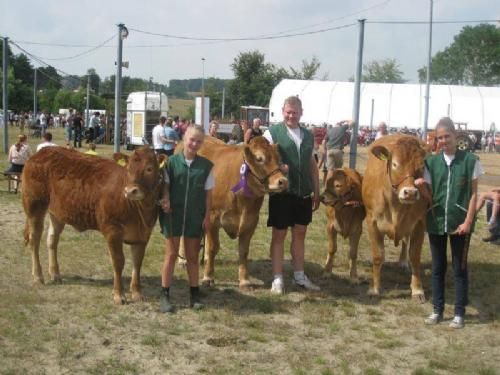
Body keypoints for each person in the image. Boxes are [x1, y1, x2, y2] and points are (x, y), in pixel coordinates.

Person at [415, 117, 483, 329]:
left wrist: (468, 222)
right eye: (439, 138)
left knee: (459, 269)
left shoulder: (470, 161)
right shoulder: (432, 163)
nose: (443, 141)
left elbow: (474, 194)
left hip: (459, 223)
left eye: (447, 136)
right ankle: (437, 310)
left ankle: (459, 314)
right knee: (437, 268)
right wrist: (421, 187)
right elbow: (429, 196)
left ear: (455, 136)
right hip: (436, 222)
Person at [262, 96, 320, 294]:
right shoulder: (273, 133)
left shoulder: (308, 135)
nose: (291, 115)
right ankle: (277, 278)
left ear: (301, 113)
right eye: (288, 112)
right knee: (279, 234)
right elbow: (263, 157)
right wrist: (278, 167)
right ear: (282, 111)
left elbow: (312, 164)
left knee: (300, 233)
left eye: (295, 112)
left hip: (303, 192)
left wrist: (317, 190)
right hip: (282, 192)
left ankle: (299, 276)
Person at [159, 125, 214, 313]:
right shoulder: (170, 163)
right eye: (191, 139)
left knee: (192, 257)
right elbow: (165, 186)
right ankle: (165, 295)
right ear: (184, 138)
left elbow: (208, 195)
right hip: (173, 214)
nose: (194, 144)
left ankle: (194, 294)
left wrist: (207, 216)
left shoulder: (206, 167)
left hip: (194, 216)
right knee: (171, 255)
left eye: (199, 141)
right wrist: (165, 199)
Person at [322, 120, 353, 184]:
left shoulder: (330, 130)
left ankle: (327, 186)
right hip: (338, 150)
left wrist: (324, 149)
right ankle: (338, 185)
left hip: (329, 151)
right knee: (338, 170)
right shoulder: (342, 128)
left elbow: (323, 141)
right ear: (340, 125)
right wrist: (345, 120)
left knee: (330, 170)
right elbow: (352, 122)